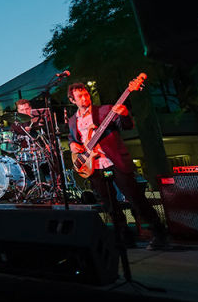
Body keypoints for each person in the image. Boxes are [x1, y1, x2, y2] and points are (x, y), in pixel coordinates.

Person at [66, 81, 169, 250]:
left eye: (86, 94)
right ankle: (125, 237)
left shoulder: (105, 110)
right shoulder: (72, 121)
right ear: (72, 100)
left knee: (135, 197)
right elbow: (72, 138)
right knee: (109, 204)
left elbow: (126, 126)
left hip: (114, 160)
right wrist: (72, 145)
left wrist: (125, 114)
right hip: (94, 166)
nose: (84, 98)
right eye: (80, 96)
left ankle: (159, 233)